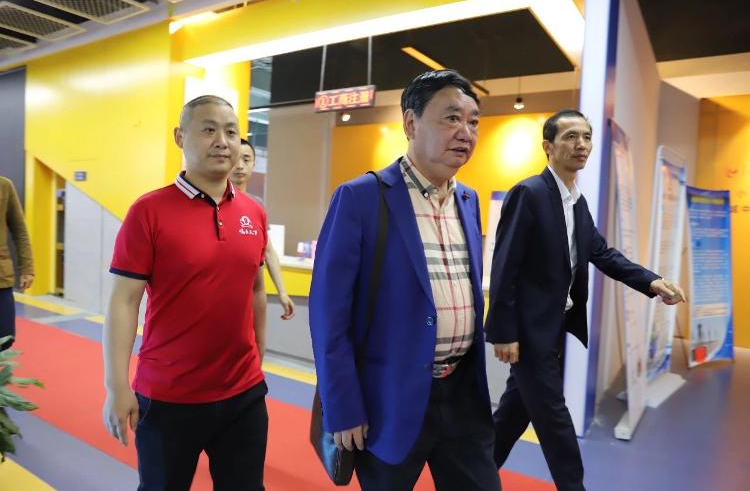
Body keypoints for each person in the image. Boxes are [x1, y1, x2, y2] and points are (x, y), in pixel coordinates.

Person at [309, 70, 500, 491]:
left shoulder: (467, 199)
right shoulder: (362, 197)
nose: (466, 132)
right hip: (388, 400)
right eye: (452, 118)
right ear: (411, 124)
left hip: (462, 395)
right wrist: (342, 406)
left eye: (473, 121)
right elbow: (328, 315)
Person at [485, 109, 686, 491]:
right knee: (556, 422)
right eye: (570, 136)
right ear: (548, 146)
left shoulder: (576, 202)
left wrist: (652, 281)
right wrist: (503, 332)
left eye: (587, 137)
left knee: (514, 413)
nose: (581, 145)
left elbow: (602, 253)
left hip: (553, 328)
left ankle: (474, 476)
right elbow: (504, 266)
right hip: (528, 333)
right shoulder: (529, 193)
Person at [102, 95, 269, 491]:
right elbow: (124, 301)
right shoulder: (148, 211)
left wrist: (257, 362)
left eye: (231, 132)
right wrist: (116, 386)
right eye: (209, 130)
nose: (222, 142)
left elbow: (256, 290)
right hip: (168, 397)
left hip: (243, 395)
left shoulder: (254, 212)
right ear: (180, 137)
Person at [230, 138, 295, 320]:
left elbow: (268, 250)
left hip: (251, 294)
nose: (240, 166)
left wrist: (282, 292)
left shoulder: (256, 205)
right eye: (235, 159)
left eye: (246, 159)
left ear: (254, 163)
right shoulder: (213, 202)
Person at [0, 176, 34, 351]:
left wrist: (27, 268)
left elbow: (19, 230)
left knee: (5, 337)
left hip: (1, 277)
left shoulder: (4, 186)